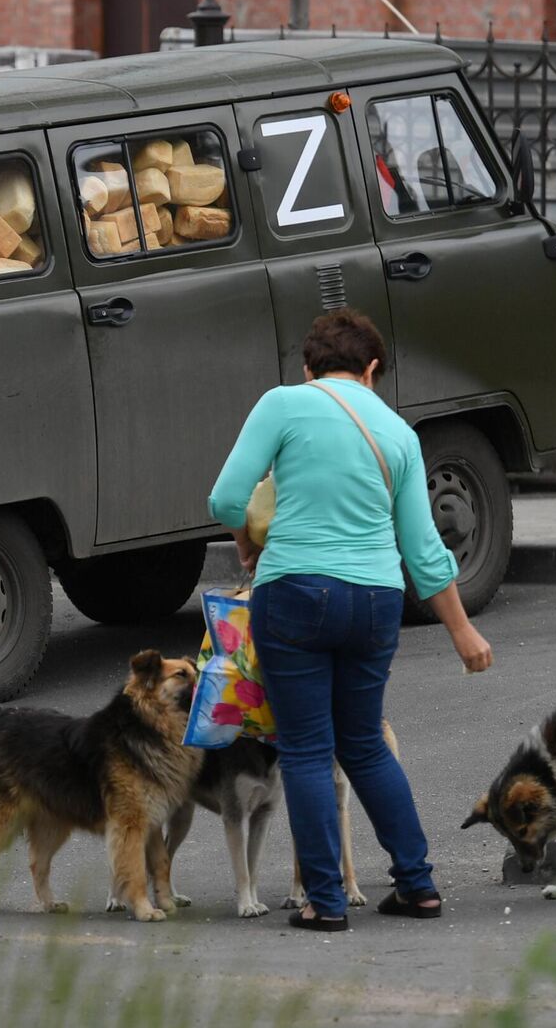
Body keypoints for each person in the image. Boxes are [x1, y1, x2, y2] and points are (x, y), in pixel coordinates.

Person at [207, 309, 493, 933]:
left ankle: (326, 902)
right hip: (375, 602)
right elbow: (423, 551)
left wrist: (247, 541)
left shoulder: (282, 404)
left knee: (307, 748)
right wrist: (462, 631)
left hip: (296, 594)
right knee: (362, 744)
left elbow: (227, 497)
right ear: (371, 370)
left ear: (307, 368)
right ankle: (417, 886)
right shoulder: (398, 434)